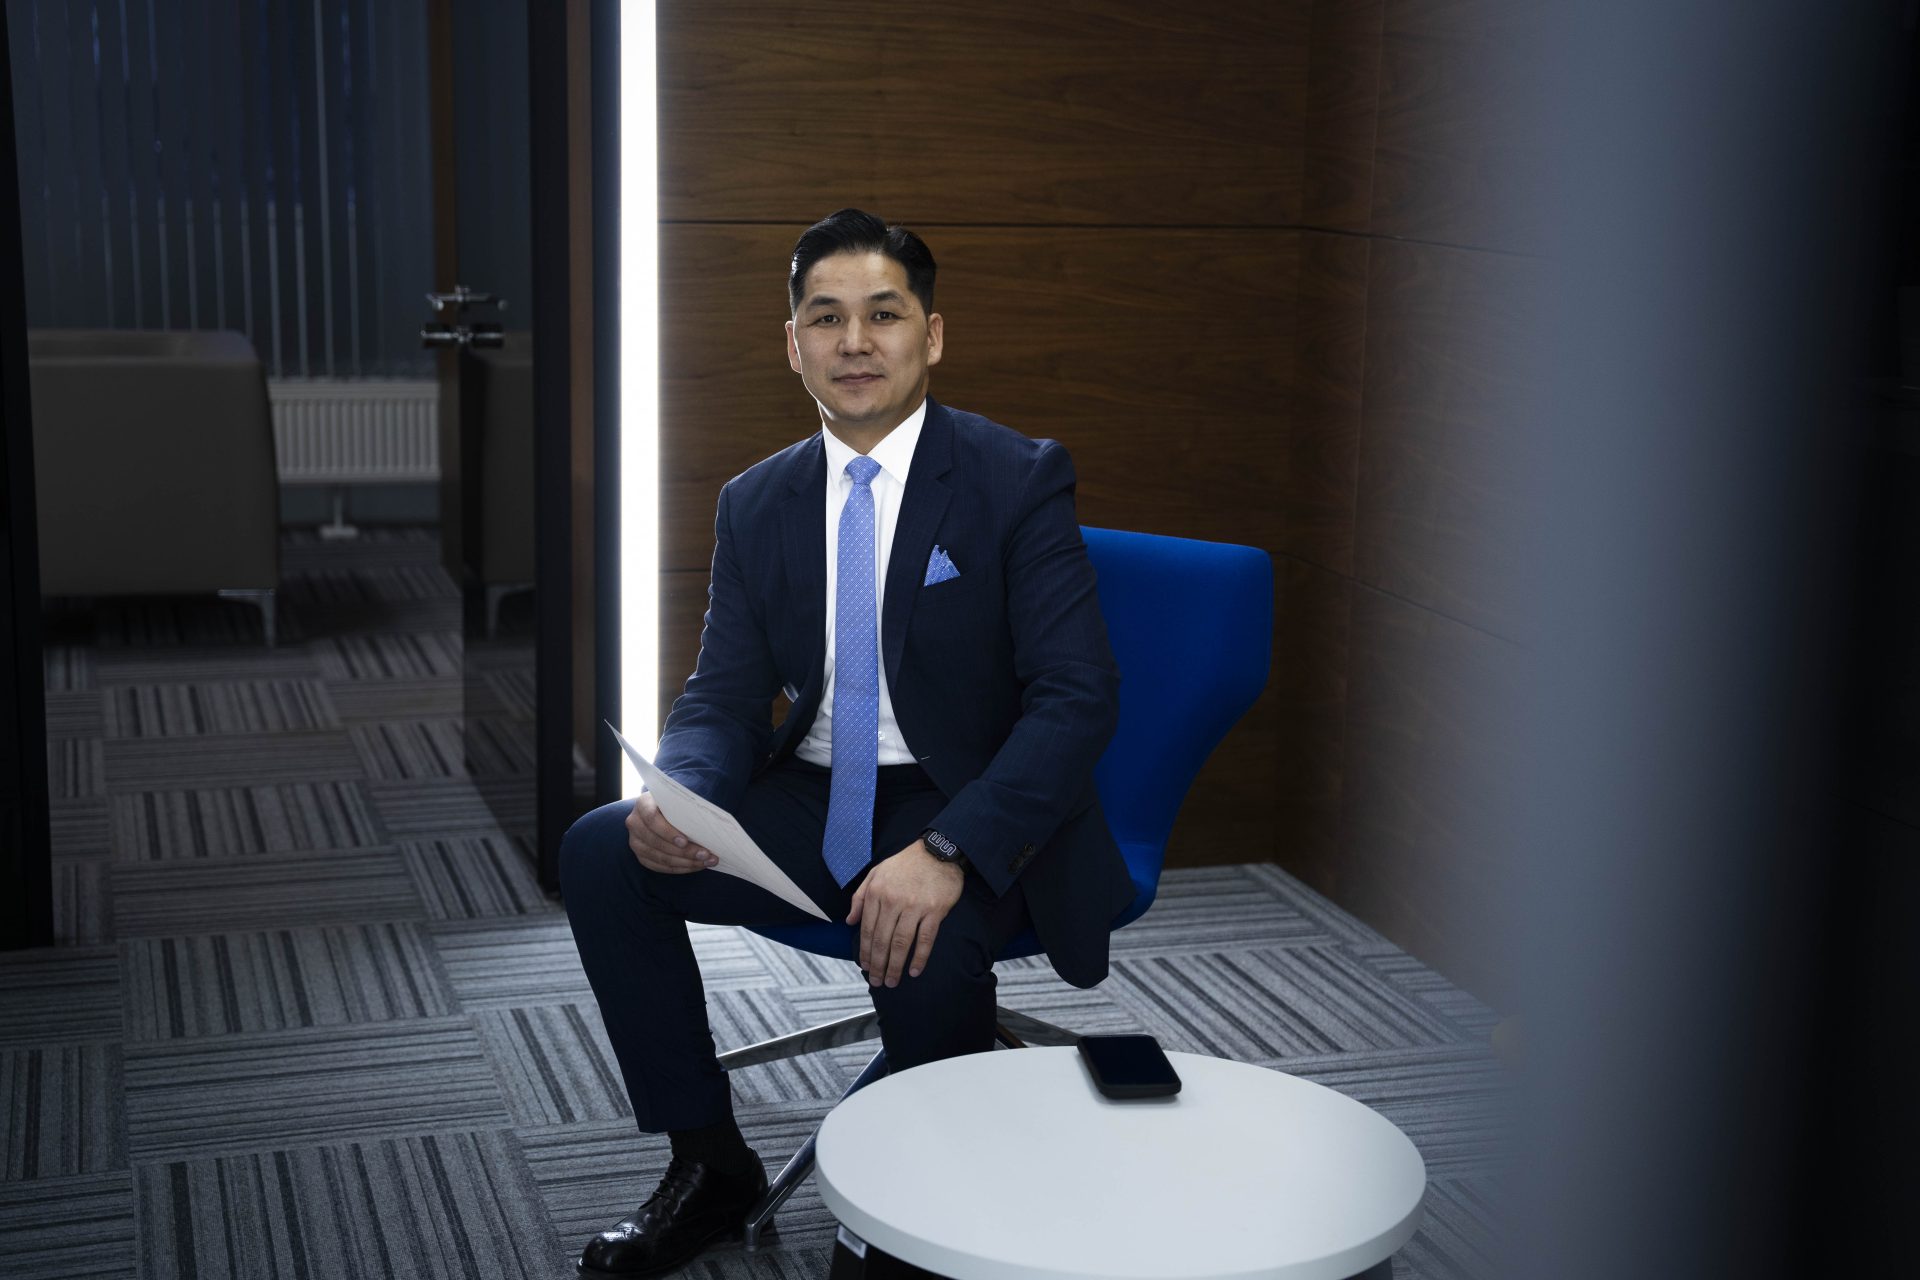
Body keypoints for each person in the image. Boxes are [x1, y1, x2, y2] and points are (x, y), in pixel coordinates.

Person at [560, 208, 1134, 1276]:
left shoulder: (1016, 477)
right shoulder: (758, 499)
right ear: (793, 343)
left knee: (926, 939)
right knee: (603, 849)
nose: (856, 341)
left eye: (885, 314)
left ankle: (916, 1220)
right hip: (818, 790)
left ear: (934, 335)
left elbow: (1076, 697)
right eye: (826, 317)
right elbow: (724, 697)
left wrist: (951, 849)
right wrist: (679, 796)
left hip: (965, 798)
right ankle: (707, 1160)